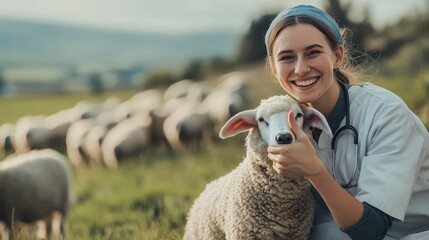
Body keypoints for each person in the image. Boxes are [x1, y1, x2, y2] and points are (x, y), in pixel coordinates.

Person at [264, 4, 429, 240]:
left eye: (313, 52)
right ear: (274, 67)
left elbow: (371, 230)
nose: (300, 69)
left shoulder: (385, 114)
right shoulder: (280, 128)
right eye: (287, 57)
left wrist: (314, 171)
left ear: (337, 56)